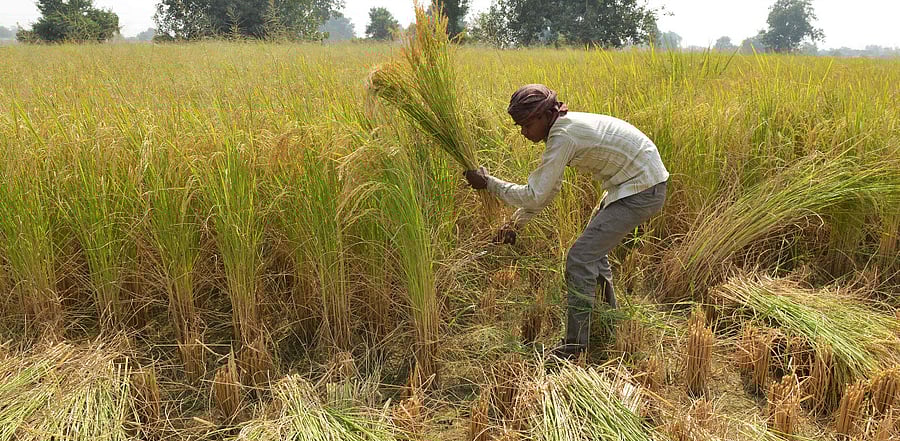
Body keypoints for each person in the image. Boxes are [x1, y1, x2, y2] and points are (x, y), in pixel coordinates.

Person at [463, 84, 669, 360]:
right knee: (593, 252)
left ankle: (575, 347)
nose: (524, 132)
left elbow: (536, 195)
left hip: (642, 188)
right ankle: (608, 317)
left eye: (526, 124)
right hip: (633, 183)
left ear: (545, 115)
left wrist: (489, 183)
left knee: (580, 257)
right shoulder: (562, 129)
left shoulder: (563, 136)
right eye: (519, 126)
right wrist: (515, 224)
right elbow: (548, 191)